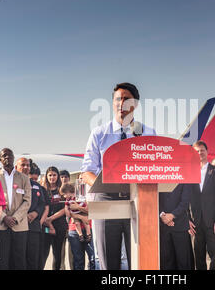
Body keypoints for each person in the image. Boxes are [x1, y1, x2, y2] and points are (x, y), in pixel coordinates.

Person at [80, 82, 156, 270]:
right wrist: (104, 184)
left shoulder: (147, 133)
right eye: (117, 99)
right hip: (106, 203)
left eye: (126, 99)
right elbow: (87, 170)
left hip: (139, 202)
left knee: (140, 262)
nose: (121, 103)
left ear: (135, 104)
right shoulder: (99, 134)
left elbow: (154, 168)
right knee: (108, 263)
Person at [189, 140, 215, 270]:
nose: (199, 153)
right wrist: (188, 220)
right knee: (198, 257)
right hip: (195, 222)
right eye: (197, 151)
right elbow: (186, 198)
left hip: (212, 222)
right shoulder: (188, 172)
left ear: (207, 151)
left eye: (202, 150)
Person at [0, 148, 31, 270]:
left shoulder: (24, 178)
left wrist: (15, 218)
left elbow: (27, 201)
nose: (7, 158)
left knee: (19, 260)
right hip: (1, 224)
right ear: (0, 160)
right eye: (4, 156)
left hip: (19, 225)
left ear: (14, 158)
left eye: (9, 155)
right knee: (2, 260)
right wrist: (4, 217)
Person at [15, 157, 46, 270]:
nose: (25, 168)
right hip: (17, 225)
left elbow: (42, 204)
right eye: (22, 165)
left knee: (33, 258)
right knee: (19, 258)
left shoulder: (36, 185)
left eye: (27, 165)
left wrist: (36, 213)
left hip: (33, 226)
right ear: (16, 167)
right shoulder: (12, 184)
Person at [62, 183, 96, 270]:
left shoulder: (89, 193)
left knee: (93, 258)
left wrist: (78, 208)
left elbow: (92, 210)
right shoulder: (69, 199)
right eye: (79, 179)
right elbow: (69, 214)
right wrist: (81, 216)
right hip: (74, 230)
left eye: (83, 180)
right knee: (78, 259)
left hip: (90, 227)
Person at [159, 183, 192, 270]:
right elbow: (154, 196)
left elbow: (185, 202)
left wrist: (172, 215)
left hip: (180, 226)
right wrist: (162, 215)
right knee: (166, 261)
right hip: (163, 226)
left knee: (183, 261)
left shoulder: (184, 177)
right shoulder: (158, 174)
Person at [42, 166, 68, 270]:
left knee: (58, 255)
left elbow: (65, 208)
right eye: (50, 175)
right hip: (46, 226)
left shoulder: (62, 190)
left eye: (54, 175)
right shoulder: (43, 190)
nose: (52, 177)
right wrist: (48, 222)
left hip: (59, 226)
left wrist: (51, 219)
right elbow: (41, 207)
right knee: (43, 253)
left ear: (58, 176)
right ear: (46, 176)